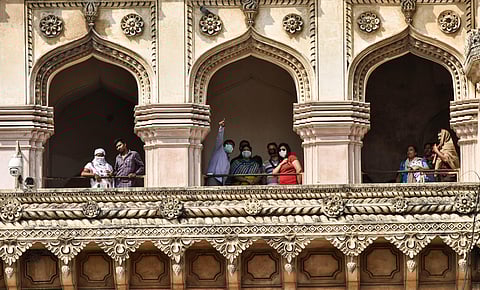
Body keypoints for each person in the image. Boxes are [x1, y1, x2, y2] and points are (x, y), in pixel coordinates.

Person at [206, 119, 235, 186]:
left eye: (233, 146)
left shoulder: (228, 159)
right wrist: (221, 128)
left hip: (221, 181)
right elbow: (219, 138)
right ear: (224, 145)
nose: (231, 147)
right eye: (229, 144)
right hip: (213, 178)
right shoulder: (219, 149)